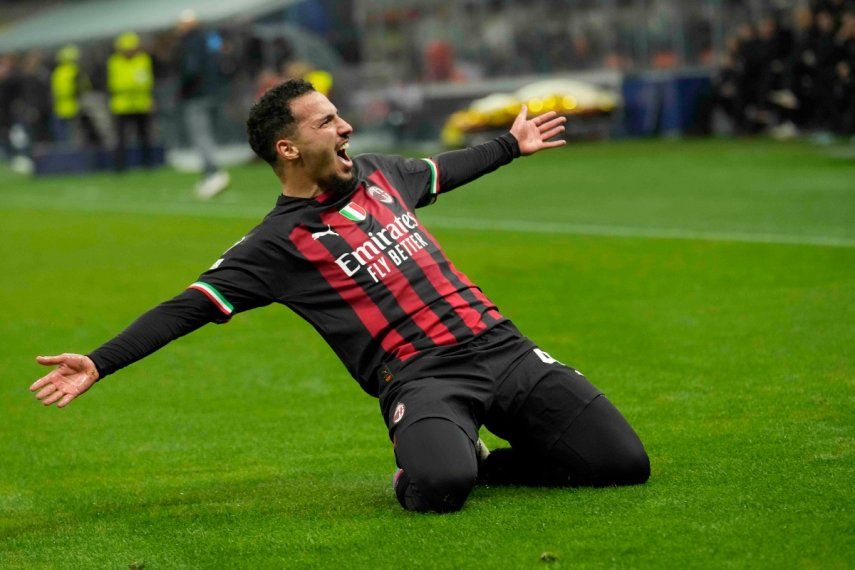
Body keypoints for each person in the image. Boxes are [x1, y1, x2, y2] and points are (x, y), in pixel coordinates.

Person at [29, 79, 650, 513]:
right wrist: (100, 360)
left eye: (339, 114)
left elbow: (442, 169)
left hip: (503, 349)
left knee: (623, 464)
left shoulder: (380, 173)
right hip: (422, 377)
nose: (346, 126)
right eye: (327, 121)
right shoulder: (277, 244)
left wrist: (509, 146)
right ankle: (436, 457)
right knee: (439, 487)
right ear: (289, 149)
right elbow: (187, 307)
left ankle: (487, 461)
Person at [175, 9, 229, 199]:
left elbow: (191, 69)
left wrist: (182, 90)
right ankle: (212, 172)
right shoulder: (208, 40)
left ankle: (212, 173)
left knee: (201, 135)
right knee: (208, 134)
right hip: (213, 93)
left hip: (197, 95)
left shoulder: (190, 43)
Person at [107, 32, 154, 171]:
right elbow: (114, 83)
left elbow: (147, 81)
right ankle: (120, 166)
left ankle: (147, 164)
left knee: (144, 136)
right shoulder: (114, 61)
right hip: (122, 105)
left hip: (141, 103)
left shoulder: (143, 60)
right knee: (121, 138)